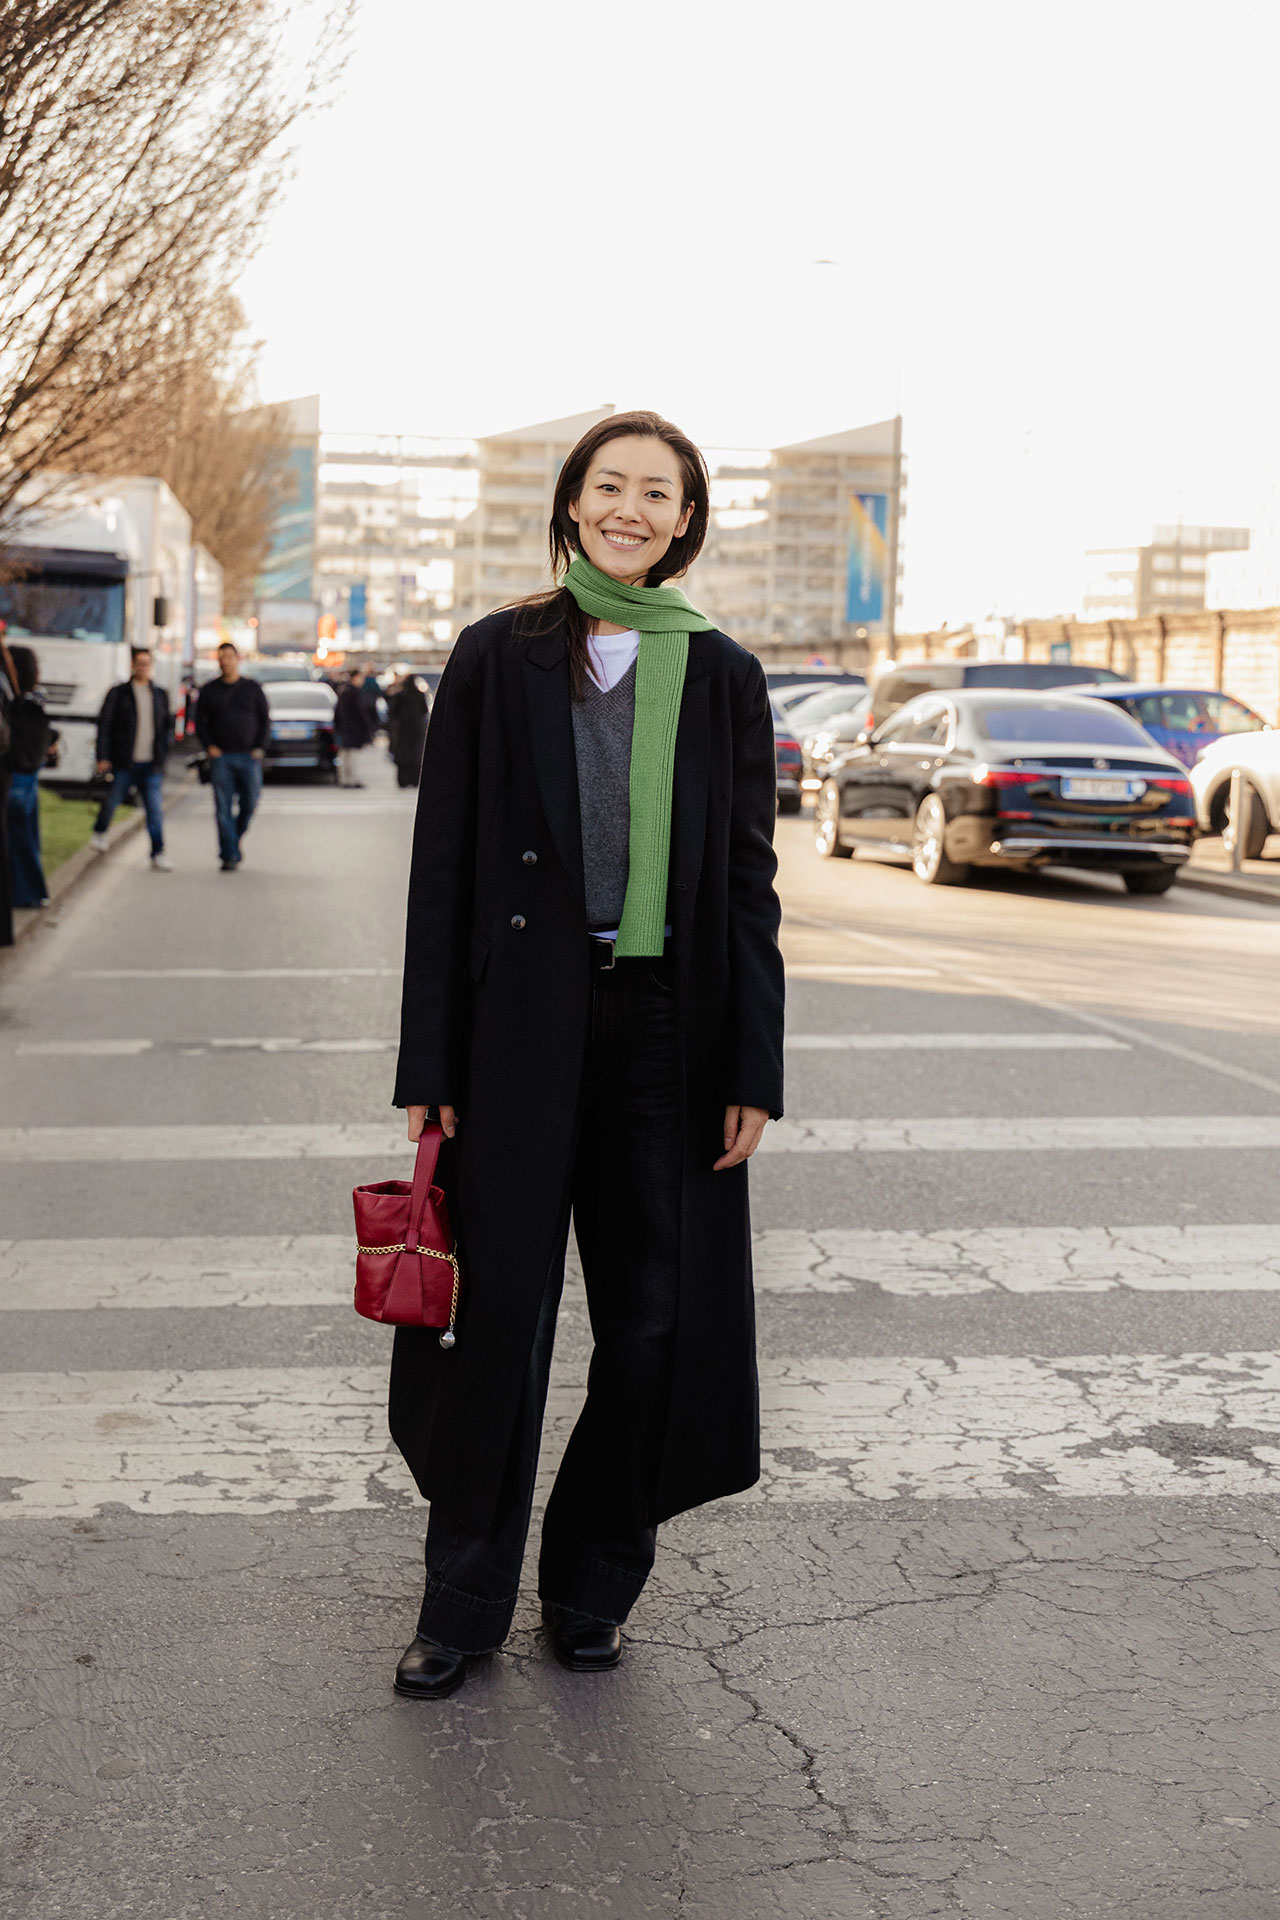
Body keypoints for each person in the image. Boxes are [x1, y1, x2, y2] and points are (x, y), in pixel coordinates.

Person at [388, 409, 785, 1701]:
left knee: (655, 1326)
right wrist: (429, 1063)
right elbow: (443, 868)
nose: (629, 508)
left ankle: (589, 1584)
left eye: (655, 492)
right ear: (571, 503)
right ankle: (460, 1605)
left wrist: (754, 1069)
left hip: (667, 1028)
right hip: (518, 1025)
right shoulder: (496, 654)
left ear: (685, 520)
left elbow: (745, 887)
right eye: (609, 485)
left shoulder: (719, 672)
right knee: (499, 1321)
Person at [91, 647, 172, 870]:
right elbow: (105, 725)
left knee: (154, 810)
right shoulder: (119, 694)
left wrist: (163, 755)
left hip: (151, 764)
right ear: (133, 665)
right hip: (124, 762)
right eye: (139, 663)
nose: (143, 667)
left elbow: (166, 728)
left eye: (147, 663)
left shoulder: (159, 695)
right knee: (112, 801)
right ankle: (100, 831)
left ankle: (158, 852)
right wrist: (103, 756)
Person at [195, 640, 270, 871]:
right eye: (221, 658)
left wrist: (260, 747)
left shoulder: (252, 688)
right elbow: (199, 721)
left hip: (249, 757)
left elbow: (265, 720)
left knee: (250, 803)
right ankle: (229, 855)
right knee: (223, 808)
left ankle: (232, 841)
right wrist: (209, 746)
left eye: (229, 657)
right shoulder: (209, 690)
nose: (225, 661)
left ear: (237, 659)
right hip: (222, 758)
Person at [2, 645, 58, 907]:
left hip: (15, 775)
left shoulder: (16, 704)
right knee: (26, 835)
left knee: (17, 836)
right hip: (28, 774)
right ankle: (31, 892)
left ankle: (24, 893)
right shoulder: (33, 701)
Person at [385, 671, 429, 787]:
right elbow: (424, 710)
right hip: (416, 729)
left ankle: (403, 780)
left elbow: (393, 712)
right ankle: (414, 779)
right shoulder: (419, 695)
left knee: (403, 755)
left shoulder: (400, 695)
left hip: (402, 730)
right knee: (415, 755)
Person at [335, 666, 376, 787]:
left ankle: (345, 779)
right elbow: (361, 712)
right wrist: (369, 727)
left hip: (344, 728)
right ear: (356, 677)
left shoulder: (343, 690)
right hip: (354, 729)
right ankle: (351, 779)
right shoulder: (354, 692)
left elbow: (337, 711)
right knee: (352, 755)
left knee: (345, 754)